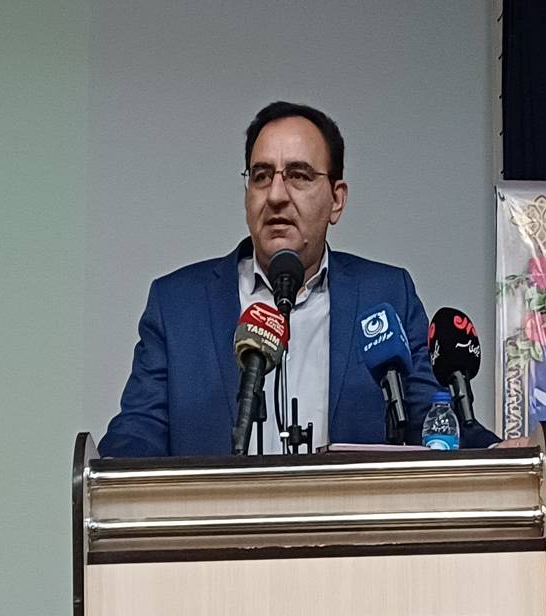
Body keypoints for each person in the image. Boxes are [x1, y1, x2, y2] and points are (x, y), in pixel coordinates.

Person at [99, 101, 501, 457]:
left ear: (336, 199)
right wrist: (104, 470)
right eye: (261, 176)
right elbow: (138, 433)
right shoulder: (178, 305)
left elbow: (433, 423)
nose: (276, 195)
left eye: (298, 175)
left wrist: (498, 453)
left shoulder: (386, 295)